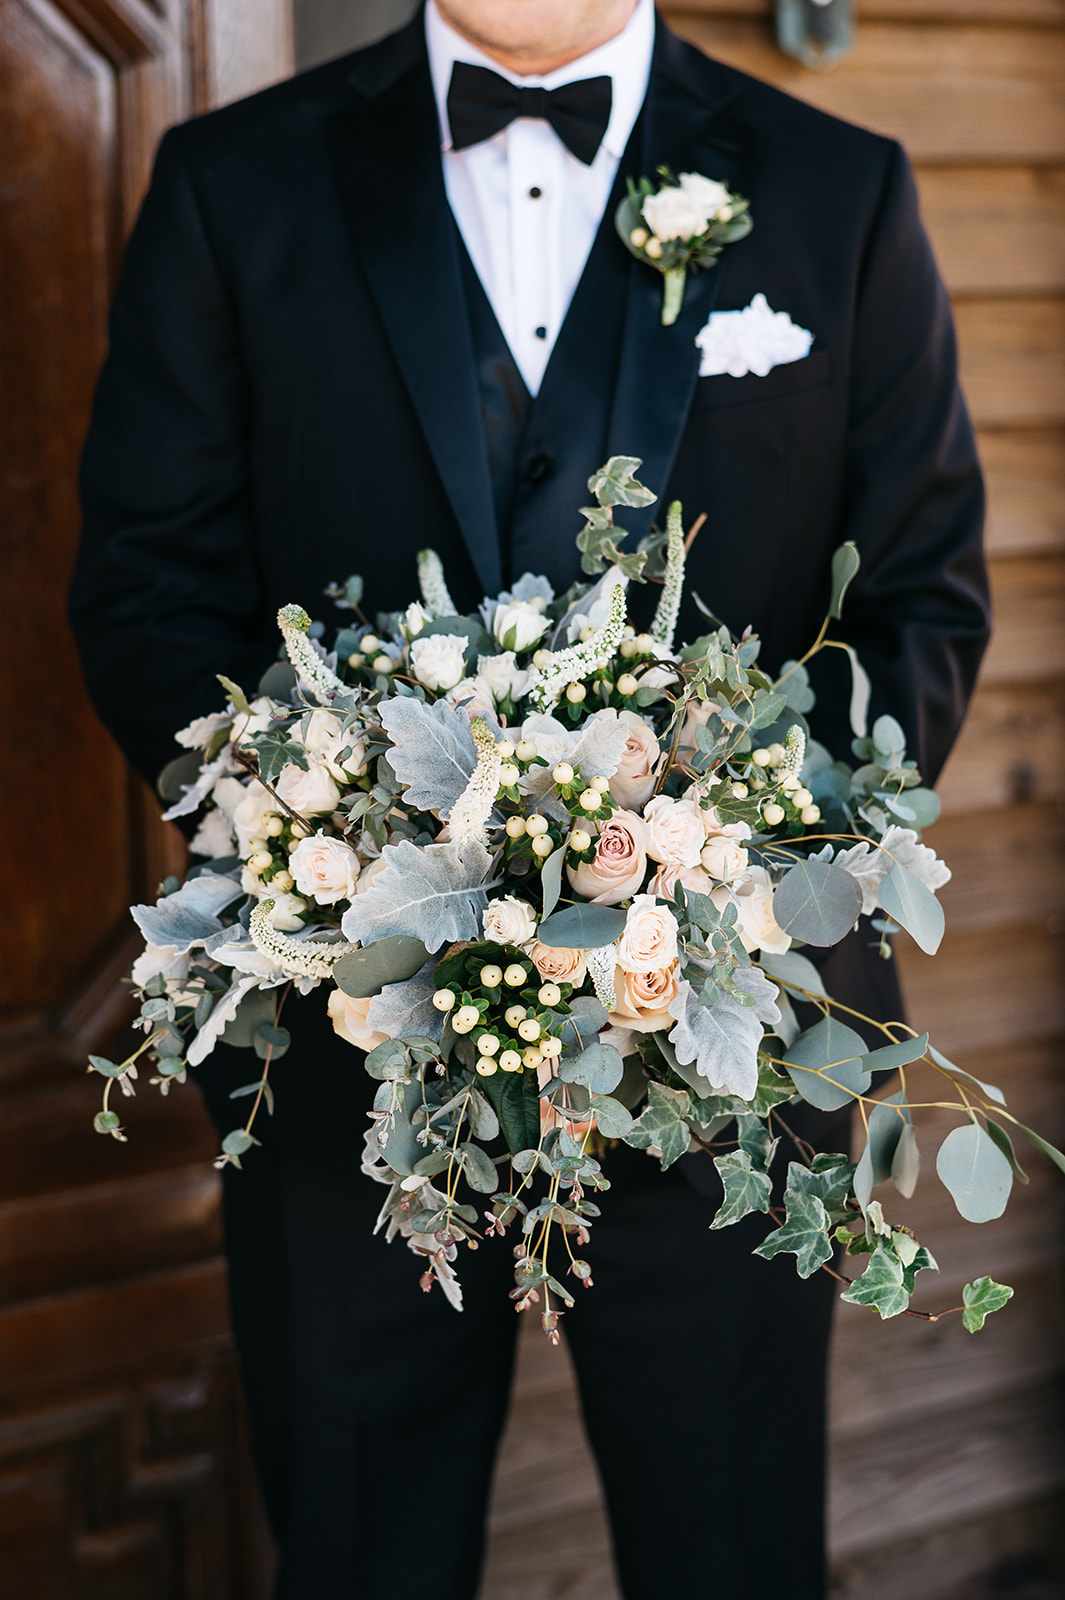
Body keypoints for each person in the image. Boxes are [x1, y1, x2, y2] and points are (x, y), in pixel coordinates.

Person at [70, 2, 989, 1594]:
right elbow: (147, 590)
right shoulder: (234, 183)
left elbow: (920, 600)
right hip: (344, 1051)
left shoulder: (837, 188)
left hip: (736, 1054)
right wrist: (323, 825)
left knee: (732, 1556)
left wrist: (735, 864)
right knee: (361, 1555)